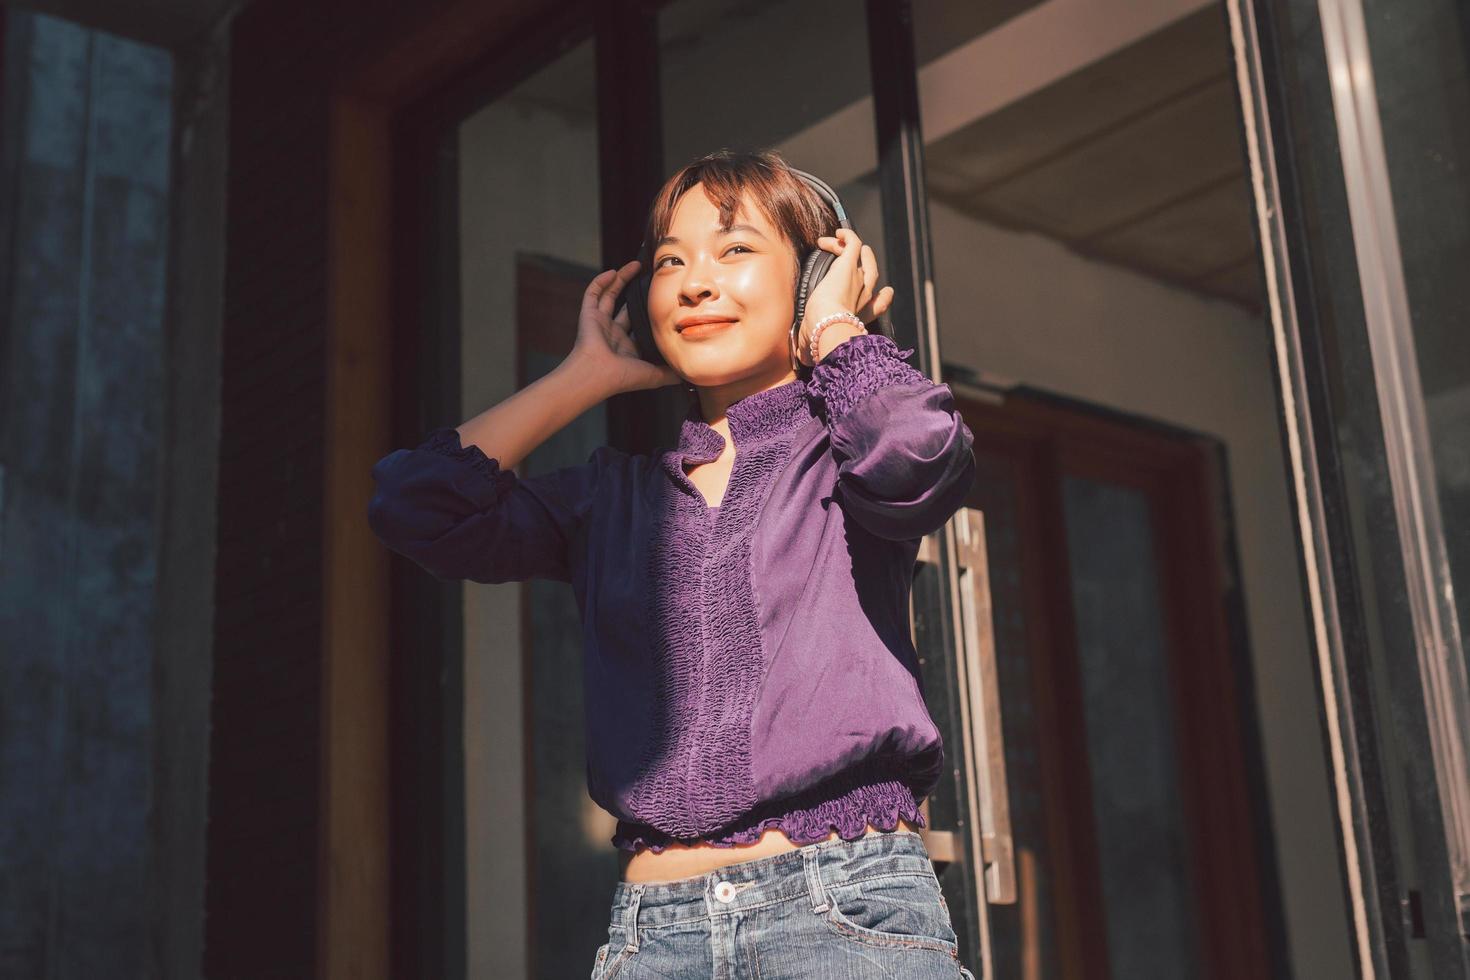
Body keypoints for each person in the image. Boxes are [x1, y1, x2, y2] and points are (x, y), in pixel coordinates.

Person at [368, 149, 978, 978]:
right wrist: (579, 380)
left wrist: (837, 333)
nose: (693, 282)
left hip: (846, 916)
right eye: (670, 261)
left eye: (734, 250)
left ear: (813, 277)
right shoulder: (610, 498)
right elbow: (413, 505)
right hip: (658, 938)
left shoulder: (842, 451)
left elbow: (917, 457)